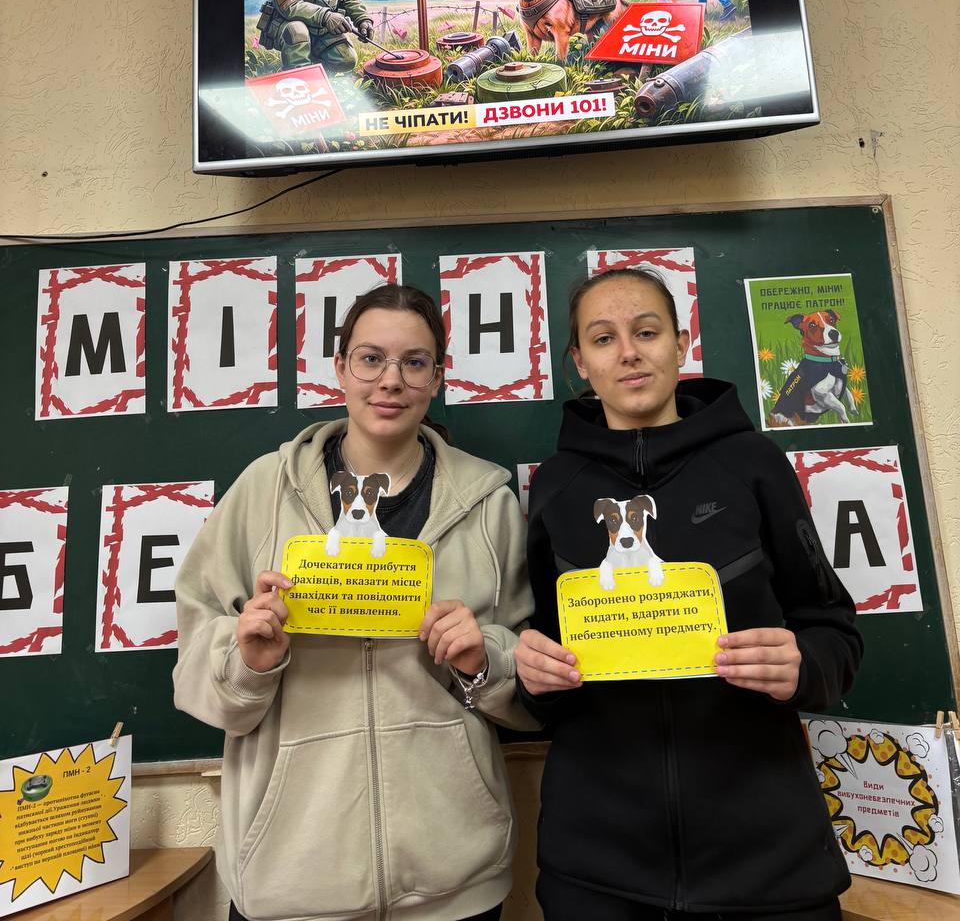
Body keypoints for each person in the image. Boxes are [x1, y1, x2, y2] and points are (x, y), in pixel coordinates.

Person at [173, 284, 533, 921]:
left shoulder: (488, 504)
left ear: (437, 377)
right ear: (340, 368)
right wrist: (248, 659)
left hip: (454, 875)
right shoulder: (264, 490)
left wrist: (481, 661)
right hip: (293, 878)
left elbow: (523, 680)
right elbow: (196, 666)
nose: (391, 380)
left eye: (414, 362)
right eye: (370, 359)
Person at [515, 267, 862, 921]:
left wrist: (804, 664)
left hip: (769, 862)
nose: (628, 352)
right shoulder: (556, 486)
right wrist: (535, 675)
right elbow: (546, 652)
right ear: (580, 362)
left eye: (646, 332)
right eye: (603, 339)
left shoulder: (754, 463)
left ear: (680, 342)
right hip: (597, 869)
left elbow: (833, 628)